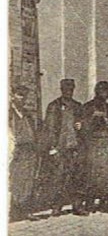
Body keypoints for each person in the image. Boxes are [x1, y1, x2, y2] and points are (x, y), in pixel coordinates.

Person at [36, 79, 85, 215]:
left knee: (76, 177)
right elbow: (49, 128)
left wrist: (81, 125)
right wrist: (52, 147)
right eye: (66, 89)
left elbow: (83, 124)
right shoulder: (54, 106)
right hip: (60, 147)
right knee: (58, 178)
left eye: (71, 89)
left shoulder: (77, 106)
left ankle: (77, 206)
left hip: (74, 146)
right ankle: (57, 206)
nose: (69, 91)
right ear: (61, 89)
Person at [80, 81, 108, 210]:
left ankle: (106, 200)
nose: (107, 94)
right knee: (92, 172)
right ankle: (90, 201)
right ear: (98, 91)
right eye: (105, 91)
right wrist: (93, 120)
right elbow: (83, 126)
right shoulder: (88, 107)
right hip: (93, 143)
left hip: (107, 142)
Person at [9, 84, 37, 220]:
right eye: (20, 95)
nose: (22, 98)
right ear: (12, 96)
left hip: (29, 150)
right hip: (15, 150)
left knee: (28, 180)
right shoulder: (8, 113)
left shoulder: (27, 114)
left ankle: (25, 210)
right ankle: (13, 210)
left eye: (24, 96)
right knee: (15, 180)